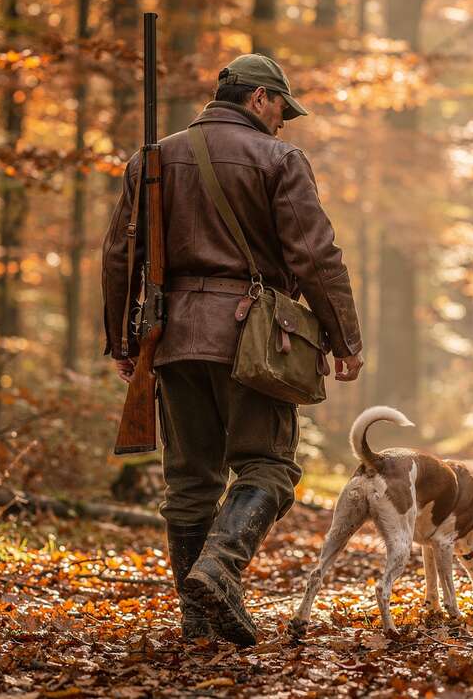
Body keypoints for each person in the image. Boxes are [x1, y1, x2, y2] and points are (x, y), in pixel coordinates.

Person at [102, 53, 364, 647]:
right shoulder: (279, 159)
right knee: (268, 465)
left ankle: (198, 623)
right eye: (281, 110)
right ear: (259, 100)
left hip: (168, 337)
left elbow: (121, 254)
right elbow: (314, 256)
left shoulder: (152, 158)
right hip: (254, 340)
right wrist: (344, 339)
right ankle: (219, 569)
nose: (283, 123)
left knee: (190, 481)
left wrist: (121, 341)